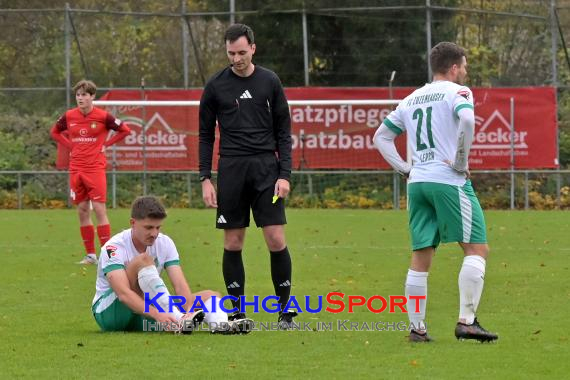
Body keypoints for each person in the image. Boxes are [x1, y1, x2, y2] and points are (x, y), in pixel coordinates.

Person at [373, 42, 498, 343]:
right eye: (464, 67)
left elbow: (381, 136)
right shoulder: (458, 92)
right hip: (448, 181)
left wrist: (406, 168)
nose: (465, 73)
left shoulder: (411, 99)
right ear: (454, 67)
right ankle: (467, 322)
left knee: (421, 256)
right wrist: (460, 161)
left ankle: (417, 328)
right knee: (477, 249)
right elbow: (467, 120)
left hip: (418, 183)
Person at [199, 24, 296, 328]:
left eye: (242, 52)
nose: (237, 58)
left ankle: (285, 313)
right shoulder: (216, 86)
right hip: (231, 170)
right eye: (231, 53)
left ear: (253, 48)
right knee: (233, 242)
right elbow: (204, 135)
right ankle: (238, 313)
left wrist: (285, 174)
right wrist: (205, 178)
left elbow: (284, 131)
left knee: (276, 239)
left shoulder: (270, 81)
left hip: (266, 169)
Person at [91, 195, 253, 334]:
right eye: (148, 227)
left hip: (142, 313)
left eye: (158, 227)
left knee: (211, 295)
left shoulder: (165, 242)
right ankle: (178, 319)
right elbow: (124, 294)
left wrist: (189, 310)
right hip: (111, 314)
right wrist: (158, 315)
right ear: (133, 223)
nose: (154, 233)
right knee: (143, 260)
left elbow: (180, 285)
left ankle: (221, 325)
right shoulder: (114, 247)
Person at [50, 80, 131, 265]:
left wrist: (105, 145)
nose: (81, 98)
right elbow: (54, 132)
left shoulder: (103, 116)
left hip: (95, 168)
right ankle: (90, 255)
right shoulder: (69, 116)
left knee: (100, 209)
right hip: (76, 168)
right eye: (78, 95)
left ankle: (107, 255)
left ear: (92, 96)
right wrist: (70, 145)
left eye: (84, 95)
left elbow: (125, 130)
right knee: (82, 210)